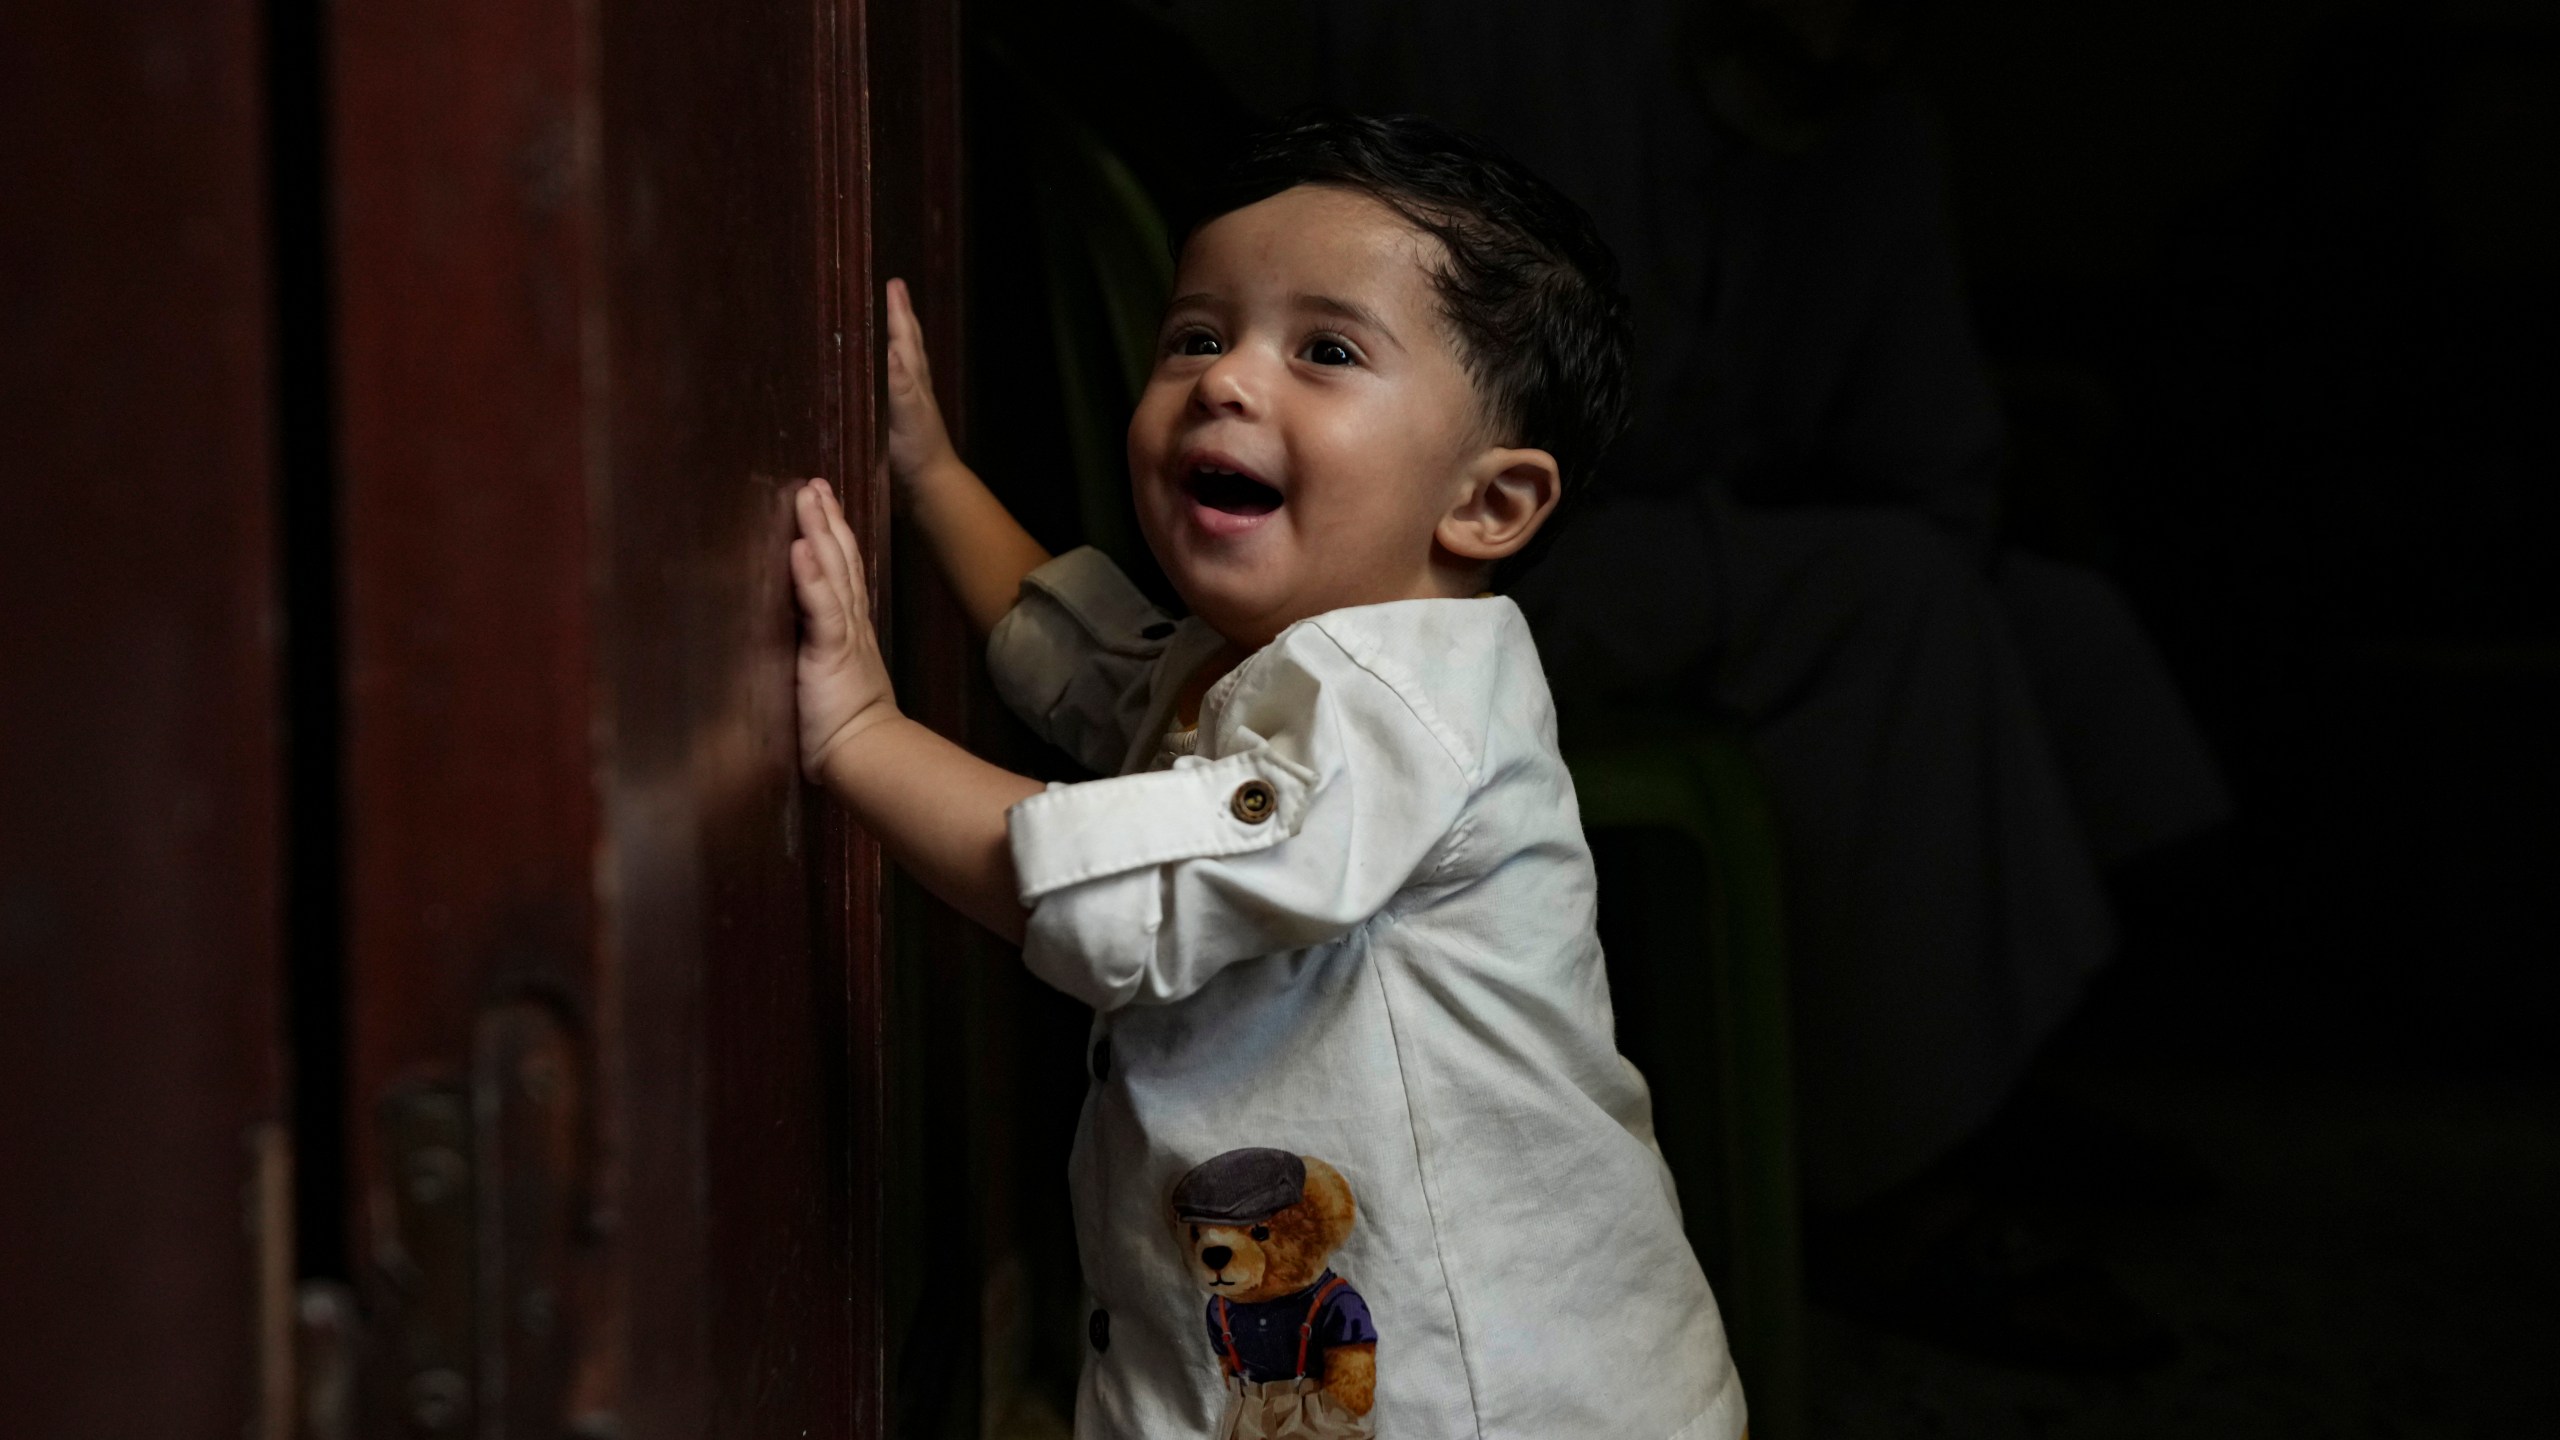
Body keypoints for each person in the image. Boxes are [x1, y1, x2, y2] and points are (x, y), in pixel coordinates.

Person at [787, 115, 1744, 1439]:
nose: (1227, 381)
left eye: (1326, 351)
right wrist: (932, 470)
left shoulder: (1404, 705)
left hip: (1487, 1400)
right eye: (1197, 334)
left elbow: (1127, 893)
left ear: (1489, 505)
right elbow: (1088, 658)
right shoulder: (1253, 666)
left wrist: (859, 741)